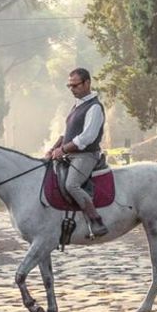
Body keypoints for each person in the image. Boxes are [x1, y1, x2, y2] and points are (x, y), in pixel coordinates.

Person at [47, 66, 107, 238]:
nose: (72, 89)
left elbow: (87, 137)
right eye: (69, 86)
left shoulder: (94, 107)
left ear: (87, 83)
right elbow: (66, 133)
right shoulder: (76, 106)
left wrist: (62, 149)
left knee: (71, 185)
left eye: (75, 85)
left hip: (86, 155)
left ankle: (96, 221)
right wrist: (53, 149)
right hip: (71, 154)